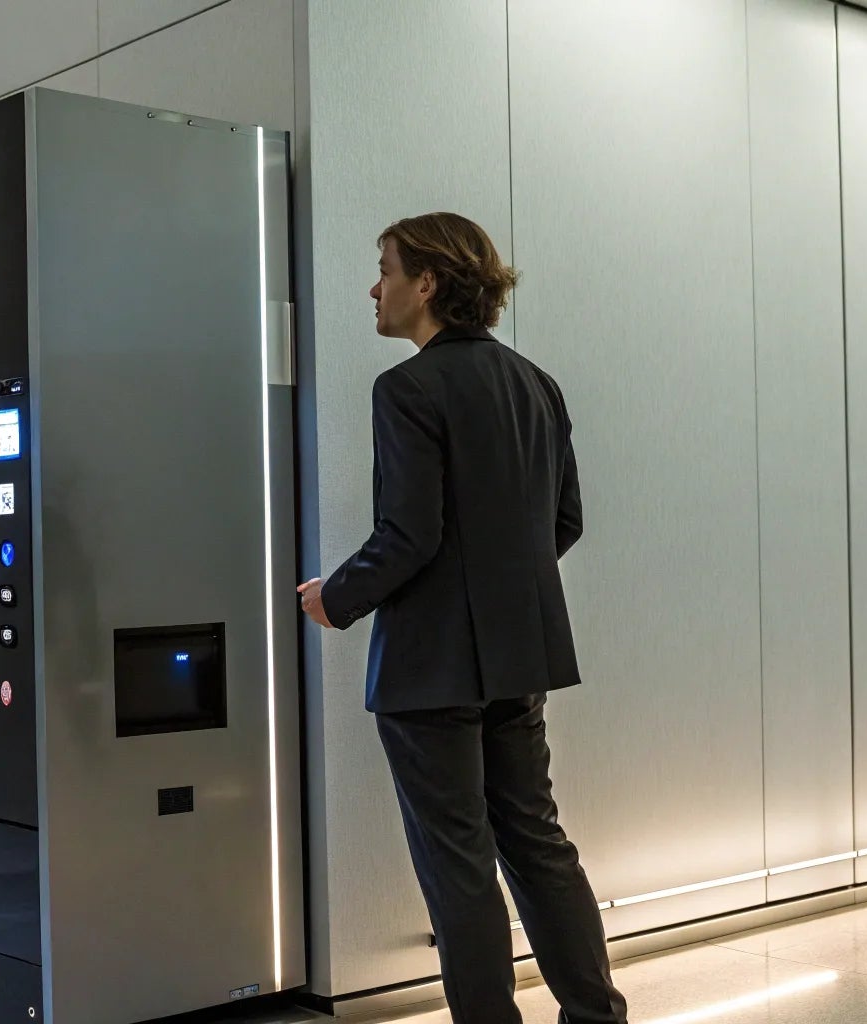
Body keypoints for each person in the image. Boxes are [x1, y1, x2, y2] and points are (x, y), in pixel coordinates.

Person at [297, 213, 626, 1024]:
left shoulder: (406, 388)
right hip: (520, 659)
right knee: (539, 847)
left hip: (431, 669)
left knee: (458, 867)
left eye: (385, 269)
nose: (374, 288)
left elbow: (410, 534)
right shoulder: (535, 383)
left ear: (428, 283)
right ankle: (596, 1016)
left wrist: (333, 599)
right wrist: (500, 592)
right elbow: (565, 521)